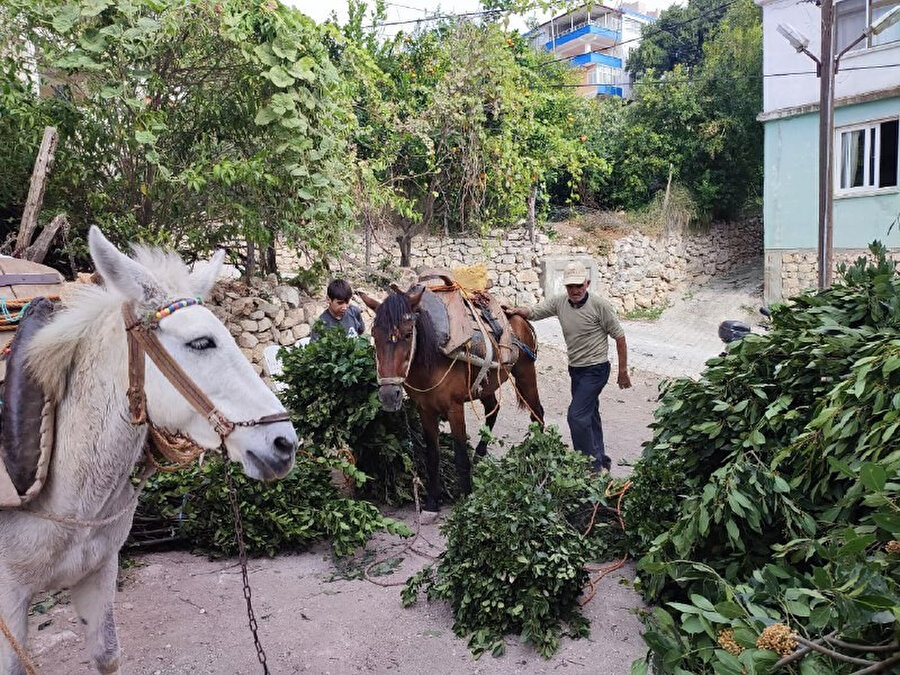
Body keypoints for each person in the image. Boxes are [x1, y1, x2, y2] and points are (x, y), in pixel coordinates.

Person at [504, 260, 631, 472]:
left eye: (578, 286)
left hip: (596, 369)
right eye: (570, 286)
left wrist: (623, 371)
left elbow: (620, 337)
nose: (575, 291)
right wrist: (515, 310)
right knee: (590, 414)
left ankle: (587, 466)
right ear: (565, 287)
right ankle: (601, 459)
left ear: (587, 284)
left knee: (576, 416)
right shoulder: (560, 303)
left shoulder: (600, 306)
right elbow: (534, 312)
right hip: (577, 370)